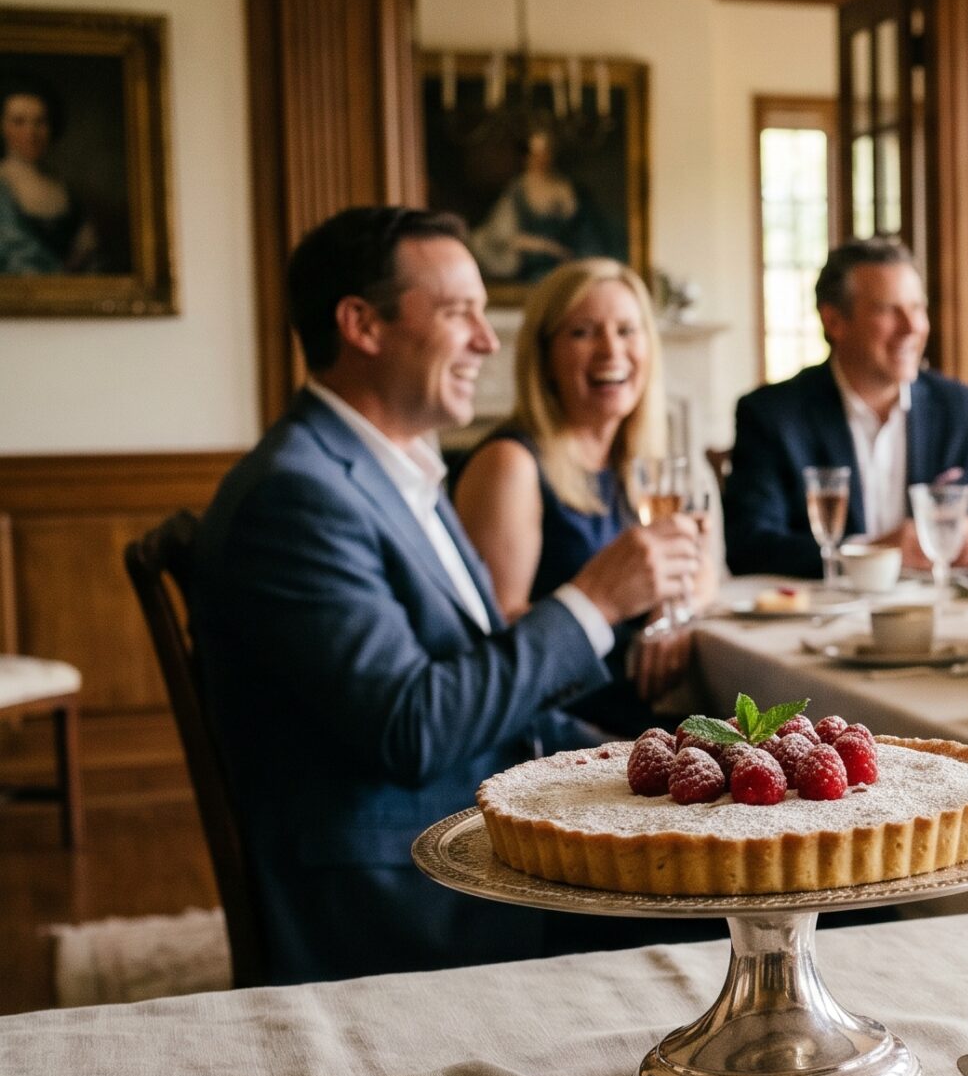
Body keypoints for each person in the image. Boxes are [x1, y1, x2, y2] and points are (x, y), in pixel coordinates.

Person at [192, 206, 703, 984]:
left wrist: (649, 756)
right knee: (809, 902)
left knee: (779, 847)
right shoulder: (297, 496)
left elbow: (475, 674)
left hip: (472, 827)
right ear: (362, 324)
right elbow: (413, 725)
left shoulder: (397, 472)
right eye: (460, 310)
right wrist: (592, 601)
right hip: (404, 887)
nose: (488, 339)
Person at [452, 257, 711, 735]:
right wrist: (606, 598)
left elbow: (704, 554)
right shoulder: (510, 465)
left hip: (643, 718)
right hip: (567, 732)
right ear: (544, 355)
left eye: (627, 330)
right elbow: (498, 641)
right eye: (582, 333)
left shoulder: (636, 461)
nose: (610, 350)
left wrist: (675, 613)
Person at [725, 237, 968, 577]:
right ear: (834, 322)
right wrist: (873, 550)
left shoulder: (959, 407)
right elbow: (748, 546)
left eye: (917, 308)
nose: (912, 327)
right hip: (822, 620)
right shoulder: (773, 415)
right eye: (887, 310)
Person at [468, 128, 616, 286]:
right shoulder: (518, 190)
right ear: (527, 157)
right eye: (535, 153)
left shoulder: (569, 189)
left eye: (545, 152)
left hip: (573, 268)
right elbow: (501, 235)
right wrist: (547, 247)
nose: (541, 159)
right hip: (535, 271)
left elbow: (588, 235)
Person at [0, 80, 99, 275]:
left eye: (40, 122)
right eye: (19, 121)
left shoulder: (65, 189)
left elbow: (90, 254)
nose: (31, 133)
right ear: (2, 126)